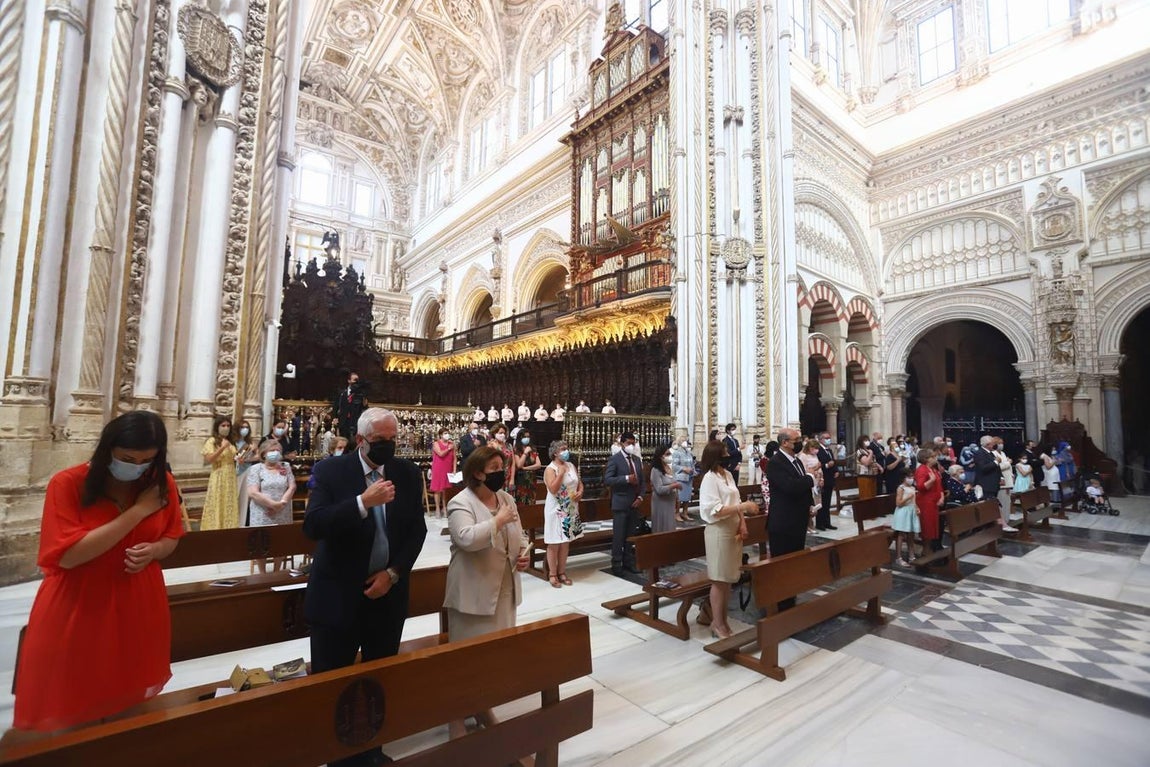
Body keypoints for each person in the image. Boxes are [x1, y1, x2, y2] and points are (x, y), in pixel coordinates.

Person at [14, 411, 184, 732]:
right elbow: (68, 556)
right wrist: (139, 512)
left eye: (146, 460)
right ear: (108, 450)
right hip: (81, 604)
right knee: (75, 707)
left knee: (128, 711)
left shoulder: (160, 483)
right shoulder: (67, 483)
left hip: (138, 602)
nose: (136, 467)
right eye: (127, 458)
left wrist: (155, 550)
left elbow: (171, 536)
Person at [302, 408, 428, 767]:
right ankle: (337, 755)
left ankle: (372, 747)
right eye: (379, 442)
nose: (388, 446)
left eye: (393, 440)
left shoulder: (406, 471)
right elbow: (313, 525)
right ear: (360, 441)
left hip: (387, 594)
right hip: (339, 595)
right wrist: (362, 503)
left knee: (379, 676)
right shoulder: (331, 470)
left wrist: (393, 573)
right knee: (335, 680)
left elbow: (416, 531)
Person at [444, 445, 530, 739]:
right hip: (473, 592)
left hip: (504, 588)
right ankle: (455, 717)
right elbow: (466, 539)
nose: (502, 474)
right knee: (467, 661)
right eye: (495, 468)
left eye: (503, 468)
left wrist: (523, 552)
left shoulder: (505, 498)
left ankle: (483, 708)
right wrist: (497, 521)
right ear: (477, 472)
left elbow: (520, 533)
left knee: (493, 659)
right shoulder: (460, 503)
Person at [698, 440, 753, 639]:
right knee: (719, 579)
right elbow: (716, 510)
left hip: (733, 530)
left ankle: (723, 619)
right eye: (725, 451)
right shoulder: (709, 479)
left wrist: (743, 523)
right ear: (716, 455)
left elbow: (736, 502)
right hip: (719, 531)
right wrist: (744, 507)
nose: (728, 454)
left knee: (729, 579)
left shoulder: (727, 475)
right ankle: (717, 623)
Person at [765, 428, 815, 610]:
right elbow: (790, 487)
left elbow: (802, 489)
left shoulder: (797, 462)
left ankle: (790, 599)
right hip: (783, 523)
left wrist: (810, 505)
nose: (800, 442)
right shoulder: (775, 463)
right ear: (785, 442)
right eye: (797, 440)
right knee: (782, 565)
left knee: (794, 563)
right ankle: (781, 604)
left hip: (798, 521)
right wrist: (810, 478)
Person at [246, 440, 296, 571]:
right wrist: (273, 505)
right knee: (261, 542)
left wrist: (282, 503)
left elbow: (292, 486)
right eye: (272, 451)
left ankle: (277, 570)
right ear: (264, 453)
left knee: (280, 541)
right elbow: (253, 492)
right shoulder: (256, 469)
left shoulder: (285, 466)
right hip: (262, 512)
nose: (275, 453)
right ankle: (263, 573)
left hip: (282, 510)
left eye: (278, 451)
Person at [542, 440, 584, 587]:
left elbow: (579, 482)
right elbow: (553, 489)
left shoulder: (571, 465)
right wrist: (560, 474)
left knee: (565, 541)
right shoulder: (550, 469)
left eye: (566, 448)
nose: (566, 451)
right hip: (556, 509)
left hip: (571, 508)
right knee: (554, 542)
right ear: (555, 452)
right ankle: (552, 574)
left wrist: (580, 492)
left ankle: (562, 572)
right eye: (563, 449)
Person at [604, 431, 646, 575]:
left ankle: (629, 561)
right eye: (629, 443)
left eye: (633, 443)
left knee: (630, 535)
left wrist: (640, 497)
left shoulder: (636, 460)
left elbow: (642, 482)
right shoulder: (615, 459)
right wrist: (627, 478)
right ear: (622, 443)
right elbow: (608, 480)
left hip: (634, 502)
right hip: (620, 502)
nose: (631, 446)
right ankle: (616, 564)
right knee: (619, 535)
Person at [200, 415, 238, 530]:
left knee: (229, 502)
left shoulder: (231, 441)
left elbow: (232, 457)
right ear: (217, 427)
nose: (226, 428)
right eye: (223, 425)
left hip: (231, 475)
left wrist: (239, 459)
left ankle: (229, 527)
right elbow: (208, 460)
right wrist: (221, 448)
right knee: (218, 501)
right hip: (219, 474)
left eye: (228, 426)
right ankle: (215, 527)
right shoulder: (211, 441)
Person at [914, 449, 944, 554]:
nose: (935, 458)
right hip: (925, 502)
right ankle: (926, 550)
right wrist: (931, 481)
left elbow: (939, 486)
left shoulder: (933, 469)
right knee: (927, 527)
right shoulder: (922, 469)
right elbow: (921, 487)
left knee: (933, 527)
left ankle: (930, 549)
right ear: (926, 459)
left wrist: (941, 497)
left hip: (934, 502)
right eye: (933, 457)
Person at [649, 443, 681, 533]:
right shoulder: (655, 470)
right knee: (662, 526)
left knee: (670, 526)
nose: (669, 456)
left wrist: (677, 496)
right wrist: (674, 486)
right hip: (661, 502)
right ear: (660, 456)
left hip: (670, 502)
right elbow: (659, 489)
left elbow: (674, 481)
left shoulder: (669, 468)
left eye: (669, 454)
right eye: (667, 454)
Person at [892, 474, 920, 567]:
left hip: (911, 511)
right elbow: (898, 503)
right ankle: (899, 558)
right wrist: (908, 497)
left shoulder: (912, 487)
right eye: (909, 477)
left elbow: (914, 501)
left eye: (912, 477)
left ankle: (911, 556)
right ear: (903, 478)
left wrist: (917, 507)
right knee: (901, 534)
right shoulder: (901, 488)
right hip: (903, 512)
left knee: (911, 534)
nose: (911, 479)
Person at [234, 419, 258, 526]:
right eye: (242, 427)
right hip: (235, 472)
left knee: (244, 499)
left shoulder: (250, 443)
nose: (245, 430)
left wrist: (248, 459)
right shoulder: (232, 442)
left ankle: (241, 524)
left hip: (247, 471)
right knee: (234, 498)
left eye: (247, 427)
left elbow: (259, 456)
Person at [430, 428, 456, 518]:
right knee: (437, 489)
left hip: (447, 468)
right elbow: (440, 454)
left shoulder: (452, 444)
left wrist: (454, 469)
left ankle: (444, 508)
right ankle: (437, 508)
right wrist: (448, 449)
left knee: (445, 489)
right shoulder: (436, 444)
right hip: (438, 468)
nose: (447, 435)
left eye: (448, 433)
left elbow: (455, 458)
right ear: (441, 435)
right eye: (445, 433)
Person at [798, 439, 824, 533]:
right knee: (809, 505)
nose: (816, 450)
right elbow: (803, 471)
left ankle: (811, 524)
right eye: (815, 448)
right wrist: (816, 468)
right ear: (809, 447)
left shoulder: (815, 455)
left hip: (816, 482)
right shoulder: (803, 456)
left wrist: (822, 479)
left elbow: (820, 468)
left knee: (816, 505)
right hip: (809, 483)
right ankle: (807, 526)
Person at [333, 372, 367, 440]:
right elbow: (336, 406)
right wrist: (335, 418)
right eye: (354, 380)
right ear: (349, 381)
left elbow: (364, 407)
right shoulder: (342, 393)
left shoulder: (360, 394)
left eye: (357, 380)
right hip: (343, 422)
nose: (356, 382)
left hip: (355, 422)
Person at [815, 432, 838, 531]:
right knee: (822, 502)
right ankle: (820, 523)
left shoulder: (829, 450)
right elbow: (817, 465)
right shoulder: (818, 451)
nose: (829, 439)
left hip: (830, 479)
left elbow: (833, 461)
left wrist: (836, 470)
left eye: (829, 437)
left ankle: (827, 522)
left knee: (827, 503)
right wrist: (827, 465)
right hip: (822, 479)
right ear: (820, 439)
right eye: (826, 438)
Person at [513, 429, 542, 505]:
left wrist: (525, 468)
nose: (527, 438)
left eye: (528, 437)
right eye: (524, 437)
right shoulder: (517, 449)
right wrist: (525, 453)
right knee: (521, 501)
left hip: (531, 479)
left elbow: (538, 464)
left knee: (531, 501)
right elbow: (519, 465)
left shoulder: (533, 449)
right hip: (521, 479)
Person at [671, 437, 697, 523]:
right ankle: (677, 513)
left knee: (687, 496)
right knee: (679, 497)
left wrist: (693, 470)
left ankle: (685, 513)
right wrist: (683, 468)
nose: (685, 442)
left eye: (685, 440)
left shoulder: (689, 453)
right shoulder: (677, 453)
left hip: (689, 477)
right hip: (681, 478)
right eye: (682, 441)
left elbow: (692, 463)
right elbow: (674, 466)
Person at [487, 423, 516, 492]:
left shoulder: (509, 445)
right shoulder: (491, 445)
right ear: (494, 433)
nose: (502, 435)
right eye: (500, 433)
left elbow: (513, 463)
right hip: (495, 476)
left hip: (508, 477)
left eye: (504, 433)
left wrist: (512, 479)